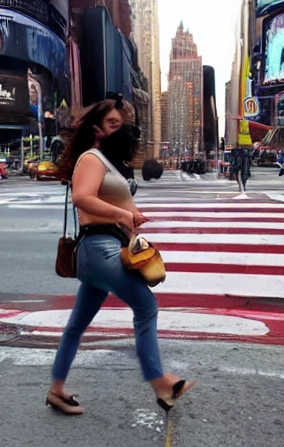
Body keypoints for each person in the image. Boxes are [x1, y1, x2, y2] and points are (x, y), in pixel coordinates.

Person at [46, 97, 195, 415]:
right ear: (97, 129)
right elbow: (81, 198)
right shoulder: (91, 158)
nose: (120, 129)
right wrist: (120, 215)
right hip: (99, 248)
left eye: (121, 124)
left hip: (104, 250)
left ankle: (56, 390)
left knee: (76, 326)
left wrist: (133, 215)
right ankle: (161, 382)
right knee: (146, 306)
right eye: (113, 124)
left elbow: (110, 200)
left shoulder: (107, 161)